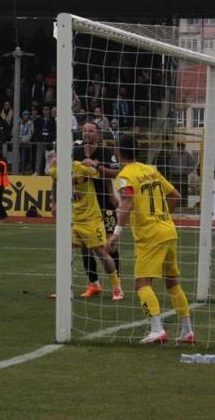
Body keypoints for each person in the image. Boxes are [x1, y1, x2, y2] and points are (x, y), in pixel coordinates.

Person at [108, 134, 194, 344]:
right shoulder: (151, 170)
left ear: (118, 151)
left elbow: (126, 204)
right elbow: (175, 196)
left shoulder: (125, 175)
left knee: (141, 284)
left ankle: (157, 330)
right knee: (172, 282)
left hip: (150, 235)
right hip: (168, 230)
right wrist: (163, 217)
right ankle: (188, 331)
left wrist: (115, 234)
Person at [51, 158, 122, 301]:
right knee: (66, 252)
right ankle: (65, 289)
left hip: (92, 218)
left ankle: (117, 287)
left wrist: (95, 165)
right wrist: (55, 202)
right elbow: (54, 182)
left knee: (101, 252)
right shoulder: (56, 169)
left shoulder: (82, 168)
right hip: (75, 218)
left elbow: (100, 174)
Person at [74, 121, 121, 291]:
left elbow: (116, 173)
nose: (87, 133)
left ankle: (117, 282)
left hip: (104, 202)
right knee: (85, 246)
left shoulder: (106, 152)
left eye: (91, 130)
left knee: (108, 244)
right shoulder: (75, 151)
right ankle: (93, 283)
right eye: (85, 130)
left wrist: (97, 166)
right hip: (84, 206)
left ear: (98, 134)